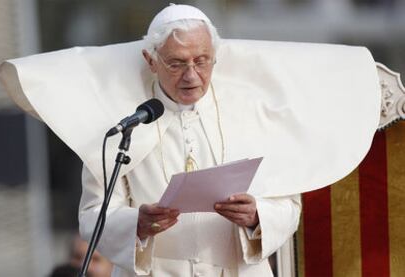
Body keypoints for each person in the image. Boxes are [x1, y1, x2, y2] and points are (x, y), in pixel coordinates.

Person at [78, 4, 301, 277]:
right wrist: (137, 224)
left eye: (202, 60)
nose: (191, 75)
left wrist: (257, 217)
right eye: (176, 63)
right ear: (151, 60)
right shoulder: (124, 126)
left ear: (215, 58)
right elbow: (92, 214)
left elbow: (289, 205)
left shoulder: (251, 116)